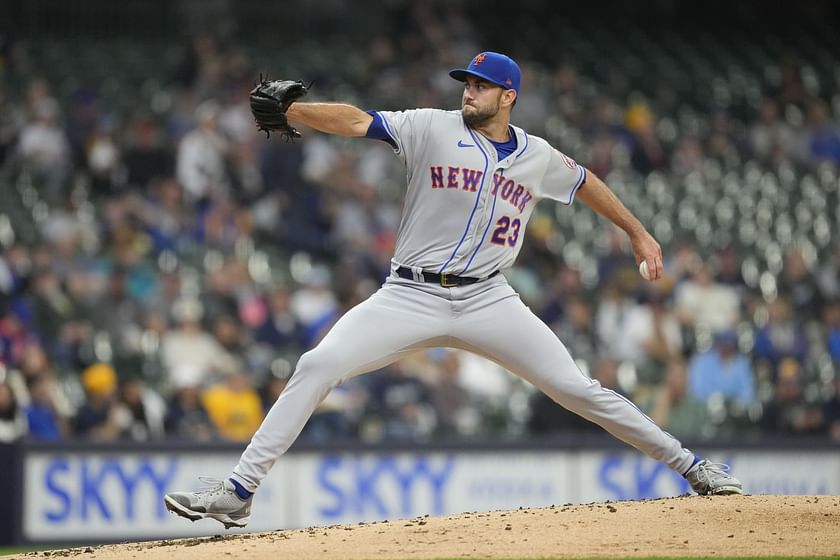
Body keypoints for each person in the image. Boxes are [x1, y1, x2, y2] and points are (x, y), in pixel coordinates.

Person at [164, 51, 742, 529]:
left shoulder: (536, 156)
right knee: (317, 364)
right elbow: (357, 120)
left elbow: (586, 182)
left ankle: (693, 467)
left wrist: (638, 234)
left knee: (577, 388)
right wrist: (297, 111)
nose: (468, 91)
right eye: (466, 82)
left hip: (489, 298)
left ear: (508, 96)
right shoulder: (429, 126)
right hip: (408, 294)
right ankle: (239, 491)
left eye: (481, 85)